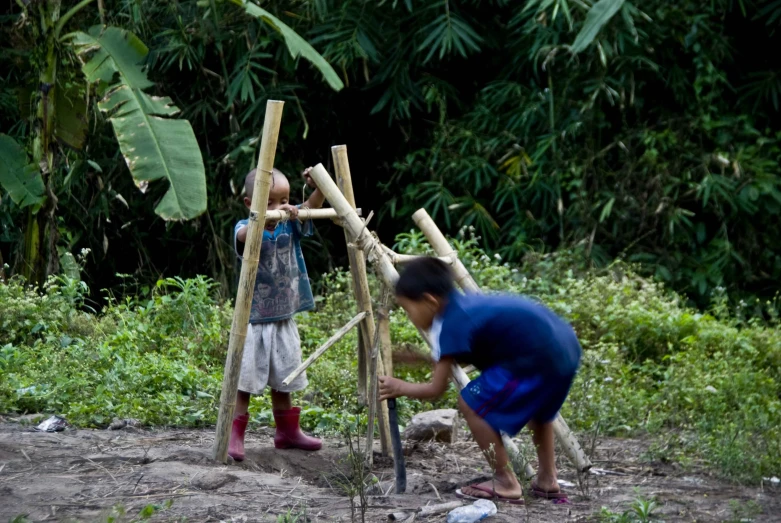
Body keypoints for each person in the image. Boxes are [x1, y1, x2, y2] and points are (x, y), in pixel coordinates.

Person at [378, 257, 581, 503]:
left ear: (430, 301)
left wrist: (399, 386)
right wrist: (423, 359)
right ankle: (548, 479)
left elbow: (435, 389)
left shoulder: (450, 323)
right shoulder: (465, 306)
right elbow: (467, 352)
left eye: (408, 309)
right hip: (565, 347)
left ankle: (505, 480)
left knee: (470, 402)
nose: (409, 316)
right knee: (540, 413)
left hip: (534, 357)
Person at [228, 166, 325, 461]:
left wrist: (317, 186)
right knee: (244, 380)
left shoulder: (290, 223)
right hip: (254, 320)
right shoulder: (244, 226)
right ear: (250, 204)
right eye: (269, 203)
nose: (279, 208)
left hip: (284, 316)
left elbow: (311, 207)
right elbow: (244, 235)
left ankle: (287, 432)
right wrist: (262, 220)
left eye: (283, 201)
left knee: (285, 377)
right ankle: (234, 435)